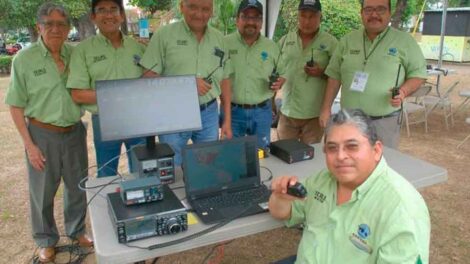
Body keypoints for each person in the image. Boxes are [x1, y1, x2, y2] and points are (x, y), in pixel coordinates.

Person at [269, 108, 430, 264]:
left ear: (376, 150)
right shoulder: (322, 180)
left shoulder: (402, 208)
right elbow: (283, 213)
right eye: (332, 148)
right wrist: (281, 198)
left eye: (352, 146)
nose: (340, 156)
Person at [4, 3, 92, 262]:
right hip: (42, 133)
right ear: (38, 27)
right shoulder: (24, 59)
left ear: (68, 28)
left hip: (74, 132)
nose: (56, 29)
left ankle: (77, 231)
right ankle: (45, 239)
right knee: (42, 191)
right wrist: (30, 145)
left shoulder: (75, 55)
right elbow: (16, 105)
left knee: (77, 186)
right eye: (49, 23)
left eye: (61, 24)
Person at [320, 0, 427, 148]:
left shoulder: (405, 41)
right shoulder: (347, 40)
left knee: (383, 163)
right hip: (348, 121)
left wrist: (403, 91)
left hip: (384, 121)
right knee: (349, 162)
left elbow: (418, 74)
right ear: (361, 13)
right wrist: (326, 109)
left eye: (380, 9)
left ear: (390, 13)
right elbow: (334, 76)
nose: (374, 14)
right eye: (368, 9)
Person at [140, 0, 232, 166]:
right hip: (173, 112)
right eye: (193, 7)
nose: (199, 14)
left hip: (209, 112)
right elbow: (148, 77)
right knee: (172, 168)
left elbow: (225, 79)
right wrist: (186, 84)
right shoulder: (164, 35)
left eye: (205, 9)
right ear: (182, 6)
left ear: (212, 11)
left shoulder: (220, 39)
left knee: (208, 166)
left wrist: (227, 120)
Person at [67, 0, 146, 177]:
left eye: (113, 9)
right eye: (102, 10)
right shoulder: (83, 50)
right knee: (106, 174)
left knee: (142, 173)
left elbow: (150, 83)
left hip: (138, 119)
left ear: (122, 15)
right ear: (93, 17)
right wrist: (118, 95)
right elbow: (78, 94)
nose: (109, 15)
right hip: (104, 120)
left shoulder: (138, 47)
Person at [223, 0, 285, 149]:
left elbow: (282, 72)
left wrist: (280, 80)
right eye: (246, 17)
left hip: (262, 112)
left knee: (262, 155)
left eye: (256, 18)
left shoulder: (271, 46)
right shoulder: (224, 43)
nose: (251, 22)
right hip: (233, 112)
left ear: (262, 21)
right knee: (232, 154)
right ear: (237, 20)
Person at [277, 0, 337, 144]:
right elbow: (275, 70)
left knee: (310, 160)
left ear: (320, 17)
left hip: (314, 115)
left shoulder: (331, 43)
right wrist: (272, 101)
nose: (307, 21)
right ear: (298, 17)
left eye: (312, 16)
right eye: (303, 16)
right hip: (287, 113)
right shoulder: (285, 40)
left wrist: (321, 72)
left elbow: (337, 76)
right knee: (283, 155)